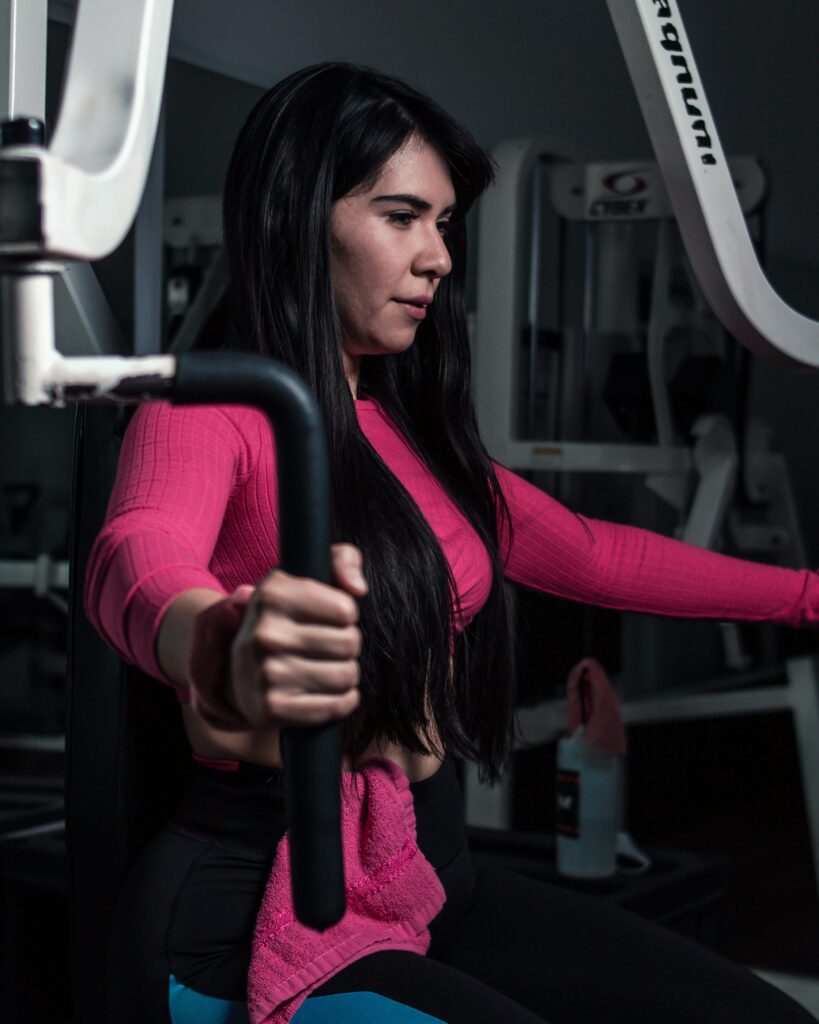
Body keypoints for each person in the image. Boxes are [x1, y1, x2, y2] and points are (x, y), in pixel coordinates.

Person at [85, 63, 817, 1024]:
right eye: (401, 217)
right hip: (251, 915)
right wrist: (217, 642)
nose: (437, 256)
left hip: (425, 884)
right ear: (298, 218)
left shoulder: (405, 432)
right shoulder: (214, 408)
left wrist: (809, 595)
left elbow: (599, 554)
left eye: (443, 224)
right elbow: (136, 552)